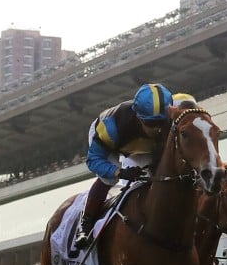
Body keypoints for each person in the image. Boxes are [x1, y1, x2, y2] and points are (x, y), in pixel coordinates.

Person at [74, 82, 173, 248]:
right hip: (112, 143)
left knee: (159, 176)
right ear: (139, 117)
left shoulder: (172, 120)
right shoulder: (111, 128)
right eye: (150, 123)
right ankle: (85, 225)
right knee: (109, 179)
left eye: (161, 122)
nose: (157, 129)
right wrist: (119, 172)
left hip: (142, 146)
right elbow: (93, 160)